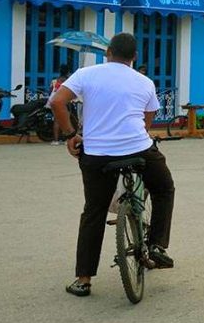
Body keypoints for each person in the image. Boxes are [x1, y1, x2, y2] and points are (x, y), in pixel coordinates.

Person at [49, 33, 176, 297]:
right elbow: (147, 120)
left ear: (107, 52)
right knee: (164, 188)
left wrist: (72, 135)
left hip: (96, 154)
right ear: (134, 57)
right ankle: (156, 246)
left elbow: (58, 102)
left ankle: (83, 280)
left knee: (94, 211)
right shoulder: (144, 81)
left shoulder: (86, 74)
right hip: (138, 149)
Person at [50, 63, 73, 145]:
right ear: (68, 71)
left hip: (56, 102)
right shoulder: (69, 80)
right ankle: (66, 139)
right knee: (66, 121)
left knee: (56, 121)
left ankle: (56, 140)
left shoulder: (55, 81)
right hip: (66, 102)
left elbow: (51, 91)